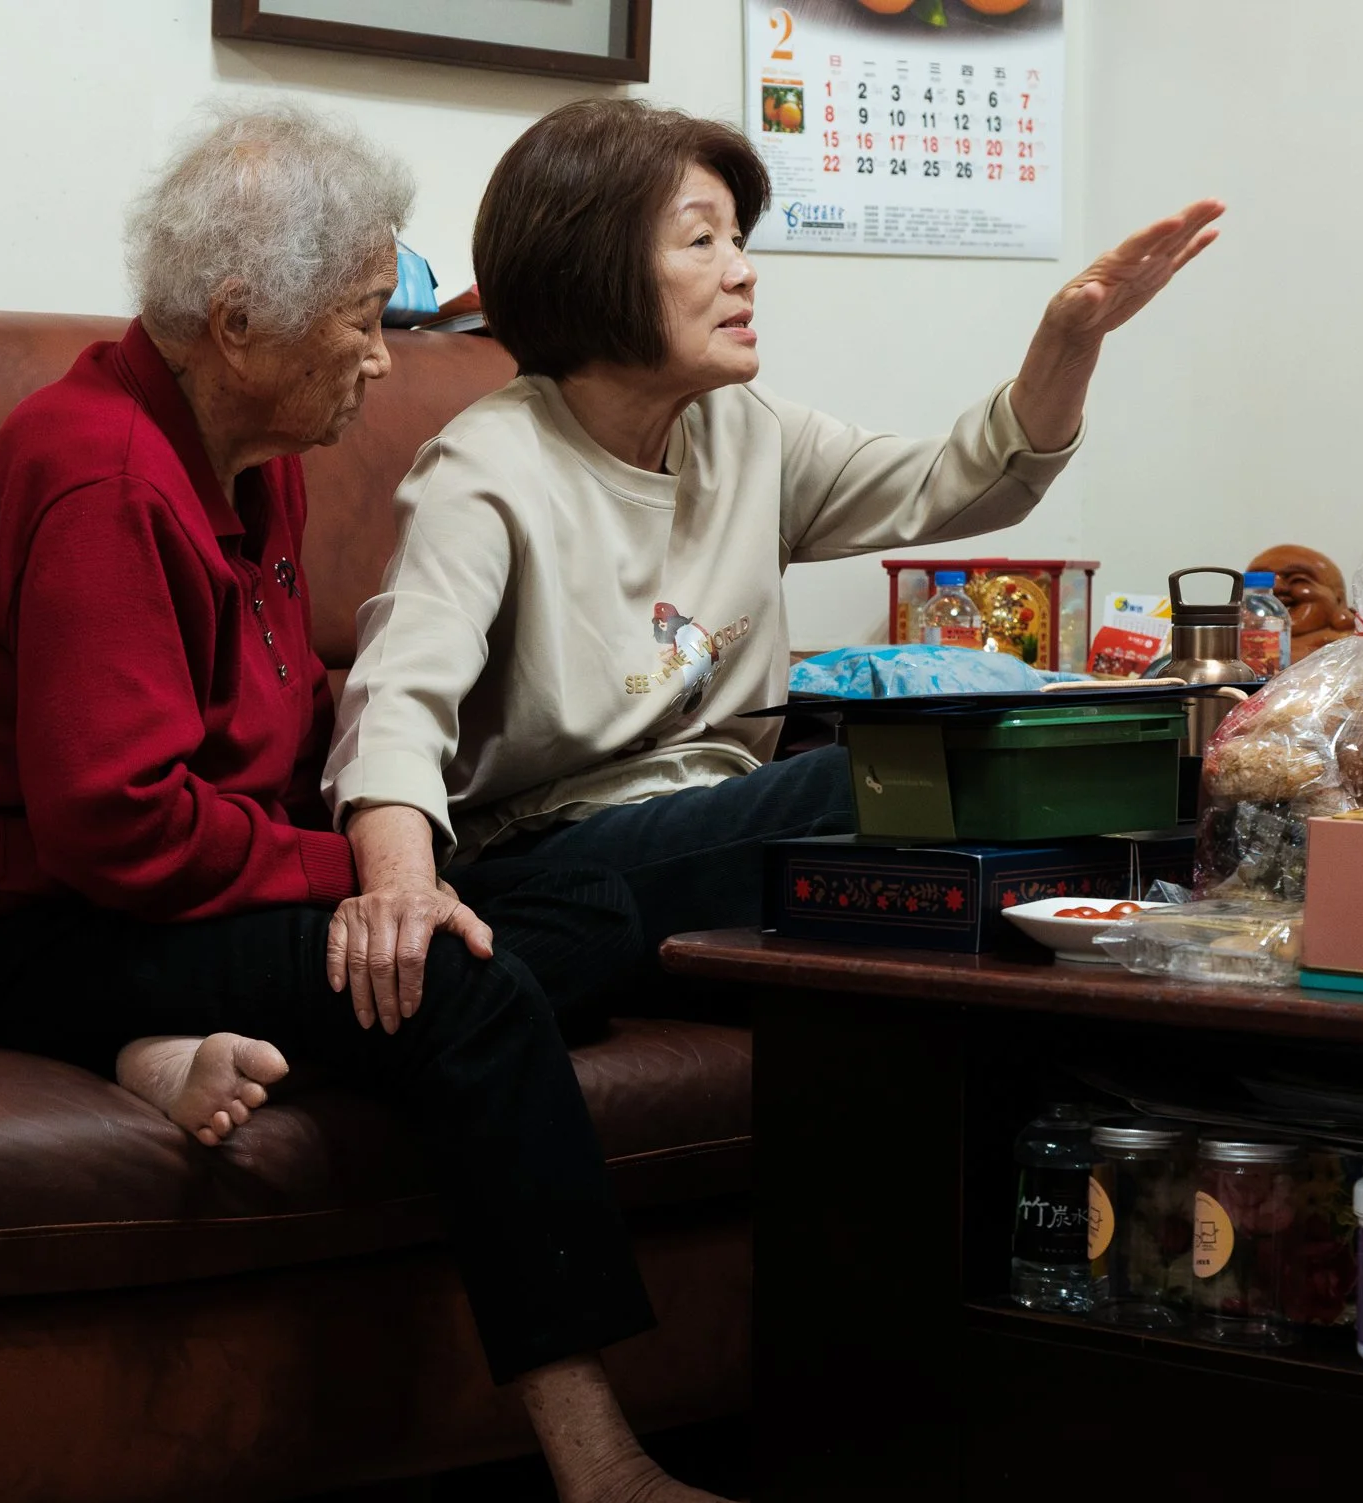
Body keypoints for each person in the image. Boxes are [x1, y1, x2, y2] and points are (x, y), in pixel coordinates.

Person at [0, 105, 746, 1503]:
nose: (384, 357)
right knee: (455, 986)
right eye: (353, 322)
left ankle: (167, 1042)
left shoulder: (254, 453)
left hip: (163, 893)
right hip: (4, 925)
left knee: (569, 898)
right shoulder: (101, 472)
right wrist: (364, 888)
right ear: (239, 320)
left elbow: (277, 737)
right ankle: (610, 1486)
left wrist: (398, 859)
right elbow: (114, 823)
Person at [326, 98, 1220, 1001]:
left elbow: (963, 482)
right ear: (591, 266)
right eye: (701, 242)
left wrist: (1069, 345)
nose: (745, 273)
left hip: (724, 815)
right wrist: (403, 891)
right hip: (552, 846)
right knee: (886, 778)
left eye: (738, 240)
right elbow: (396, 700)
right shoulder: (488, 464)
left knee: (1072, 761)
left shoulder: (743, 432)